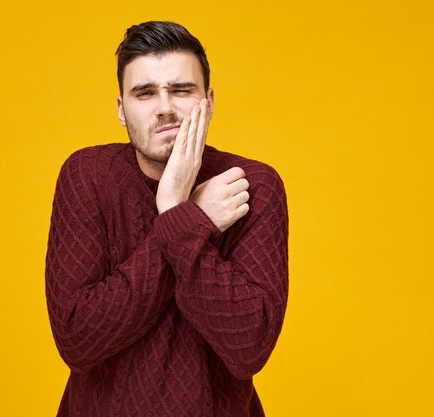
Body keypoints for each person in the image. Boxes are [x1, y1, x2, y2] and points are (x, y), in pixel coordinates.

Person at [45, 21, 288, 417]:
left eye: (182, 90)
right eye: (144, 93)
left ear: (208, 101)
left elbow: (249, 347)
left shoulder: (251, 185)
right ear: (122, 110)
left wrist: (174, 209)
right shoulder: (87, 175)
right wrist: (188, 218)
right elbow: (77, 339)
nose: (165, 108)